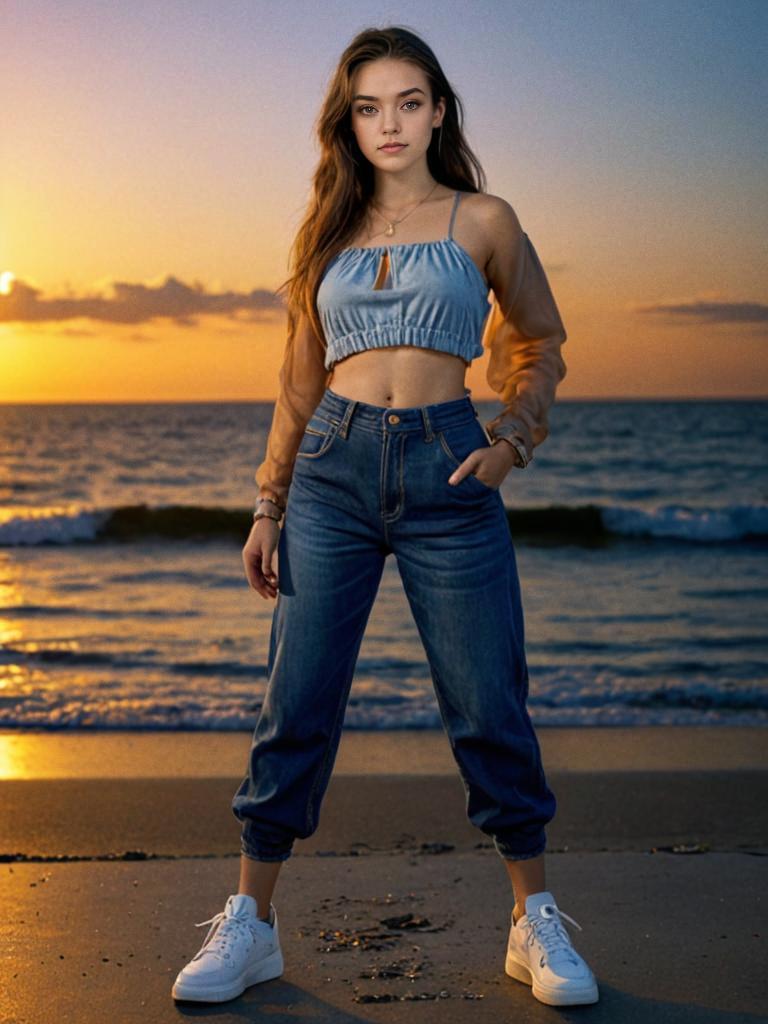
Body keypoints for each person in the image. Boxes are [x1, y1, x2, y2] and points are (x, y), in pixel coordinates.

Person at [172, 24, 598, 1009]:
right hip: (330, 471)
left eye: (409, 102)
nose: (390, 123)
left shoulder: (484, 218)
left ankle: (534, 922)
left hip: (452, 470)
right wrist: (267, 502)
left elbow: (539, 340)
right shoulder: (325, 233)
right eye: (369, 106)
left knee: (491, 700)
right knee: (298, 701)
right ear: (348, 122)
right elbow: (295, 384)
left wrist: (508, 443)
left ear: (439, 109)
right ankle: (252, 925)